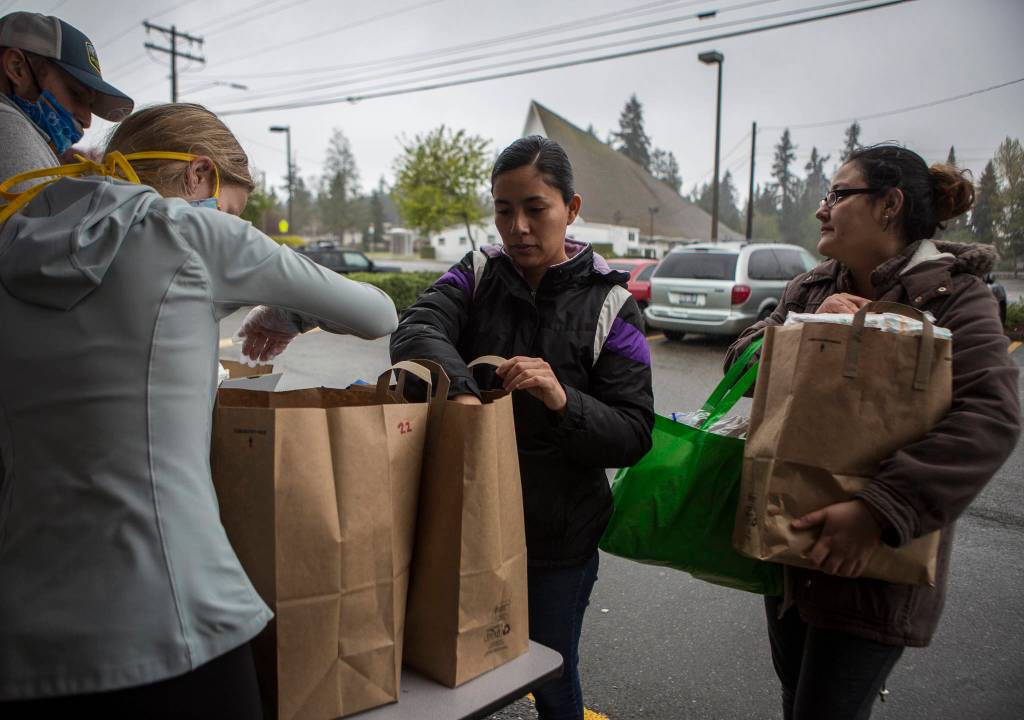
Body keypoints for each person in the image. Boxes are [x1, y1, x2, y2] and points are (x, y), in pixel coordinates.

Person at [0, 103, 398, 716]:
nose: (230, 219)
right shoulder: (194, 233)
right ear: (199, 176)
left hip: (25, 626)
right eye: (231, 207)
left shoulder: (14, 240)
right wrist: (282, 311)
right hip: (169, 609)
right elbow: (376, 313)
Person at [724, 144, 1020, 720]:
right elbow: (738, 365)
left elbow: (990, 416)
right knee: (796, 699)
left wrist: (878, 511)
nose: (822, 210)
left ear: (889, 205)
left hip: (872, 565)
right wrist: (806, 331)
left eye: (837, 195)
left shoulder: (954, 298)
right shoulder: (812, 289)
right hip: (790, 548)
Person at [390, 136, 655, 720]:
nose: (518, 227)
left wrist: (563, 399)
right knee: (457, 672)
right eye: (503, 209)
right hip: (466, 524)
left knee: (552, 675)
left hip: (559, 539)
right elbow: (417, 326)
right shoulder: (478, 273)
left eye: (536, 209)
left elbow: (634, 432)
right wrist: (460, 393)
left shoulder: (613, 305)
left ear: (573, 208)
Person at [0, 11, 133, 188]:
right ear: (17, 68)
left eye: (90, 106)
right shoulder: (8, 126)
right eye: (76, 94)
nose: (87, 121)